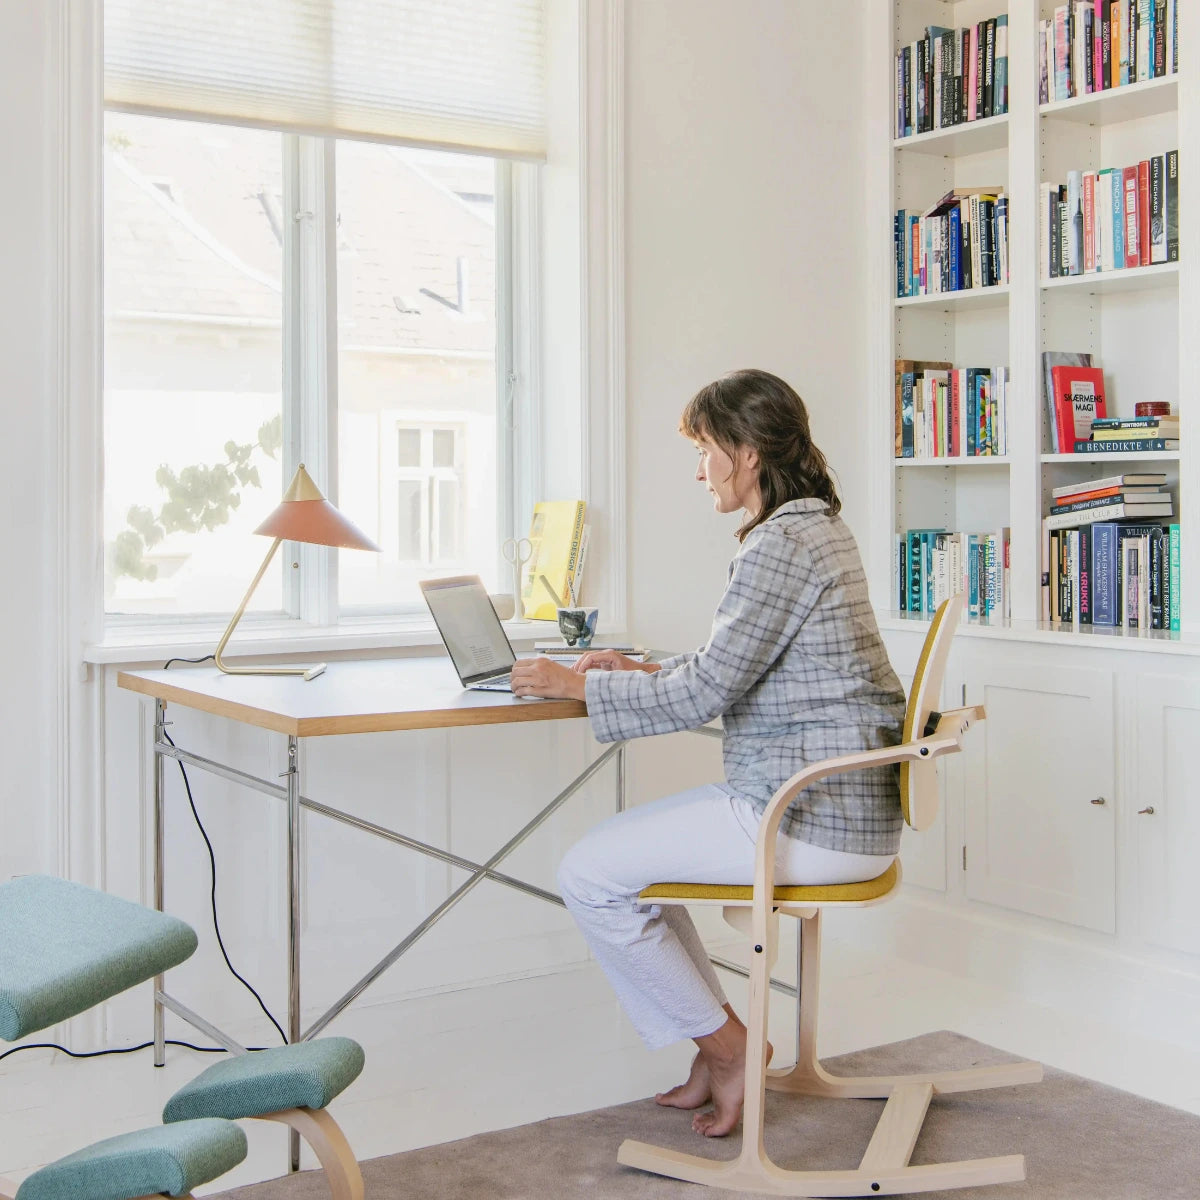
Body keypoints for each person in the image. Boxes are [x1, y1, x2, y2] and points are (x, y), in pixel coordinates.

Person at [508, 368, 906, 1139]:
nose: (699, 471)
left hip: (806, 814)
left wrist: (573, 683)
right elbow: (731, 665)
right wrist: (641, 670)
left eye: (704, 451)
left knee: (589, 875)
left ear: (746, 452)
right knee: (632, 871)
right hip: (838, 809)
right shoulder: (814, 528)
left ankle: (728, 1048)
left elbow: (704, 695)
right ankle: (720, 1043)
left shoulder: (780, 544)